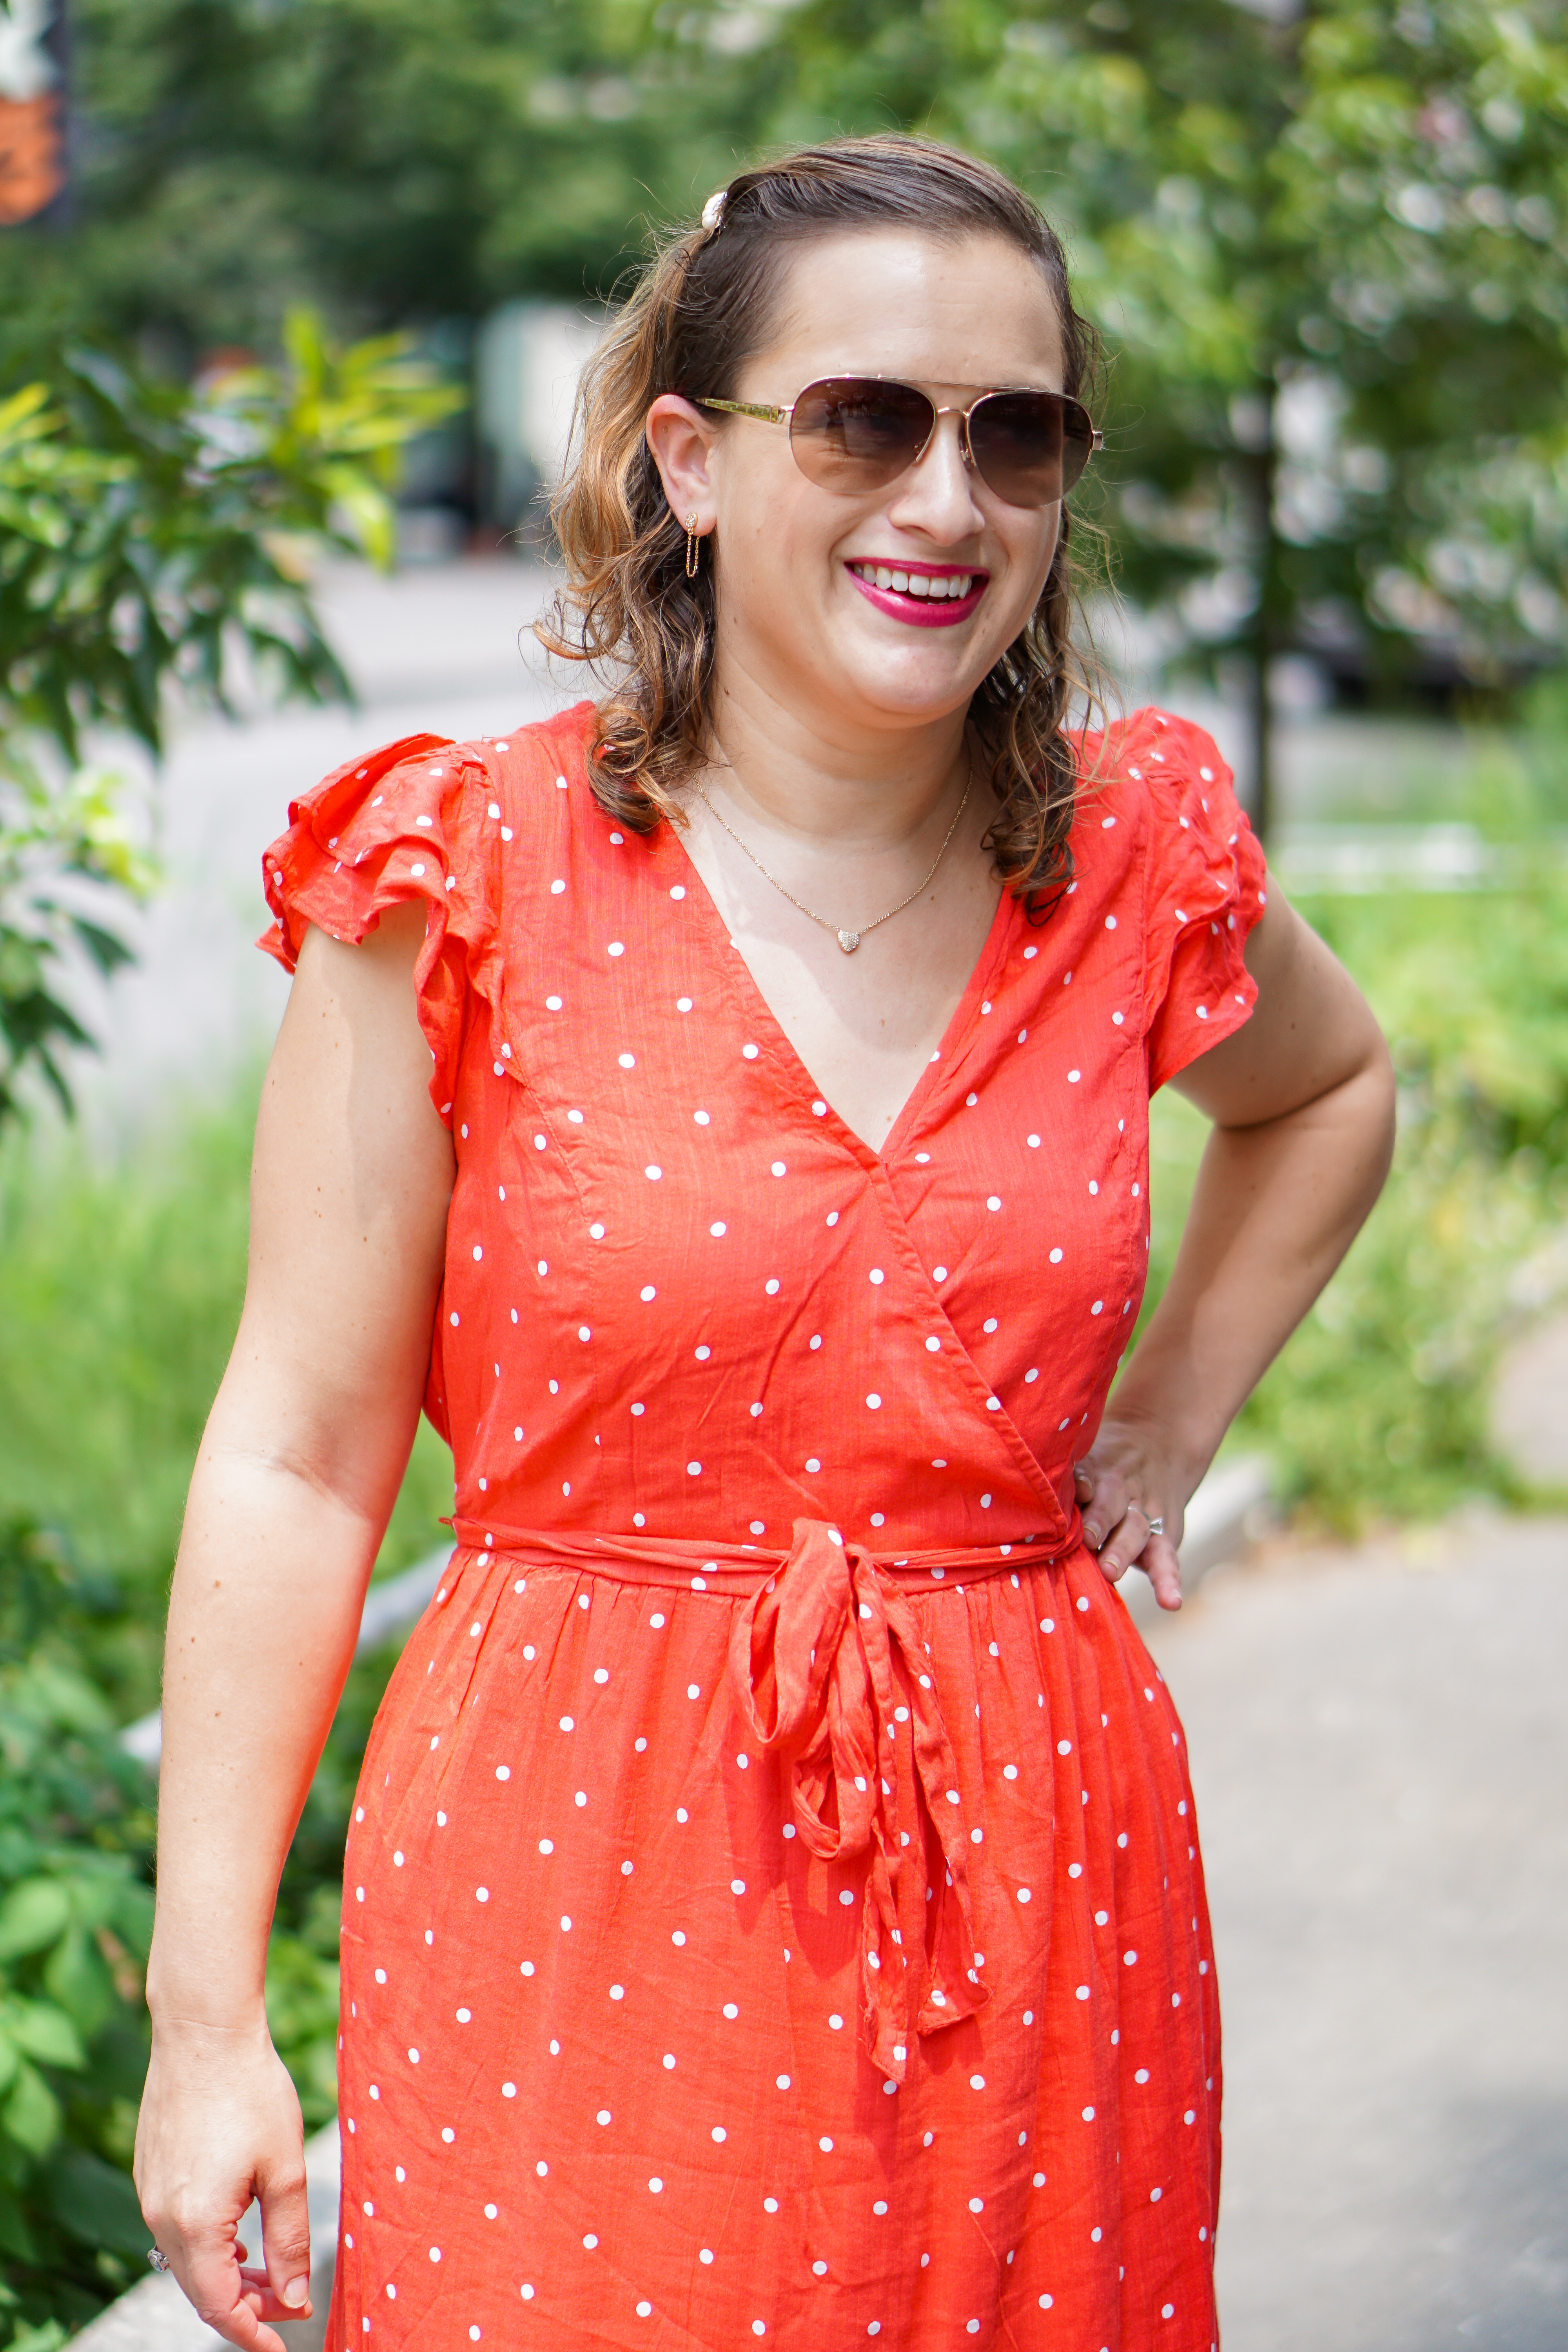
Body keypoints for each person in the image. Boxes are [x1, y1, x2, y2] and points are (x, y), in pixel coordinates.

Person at [134, 134, 1394, 2352]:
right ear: (690, 462)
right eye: (867, 420)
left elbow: (1326, 1088)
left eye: (1019, 434)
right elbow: (299, 1455)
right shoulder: (467, 877)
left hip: (1034, 1875)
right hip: (572, 1876)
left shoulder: (1135, 860)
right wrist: (204, 2017)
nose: (948, 500)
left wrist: (1175, 1418)